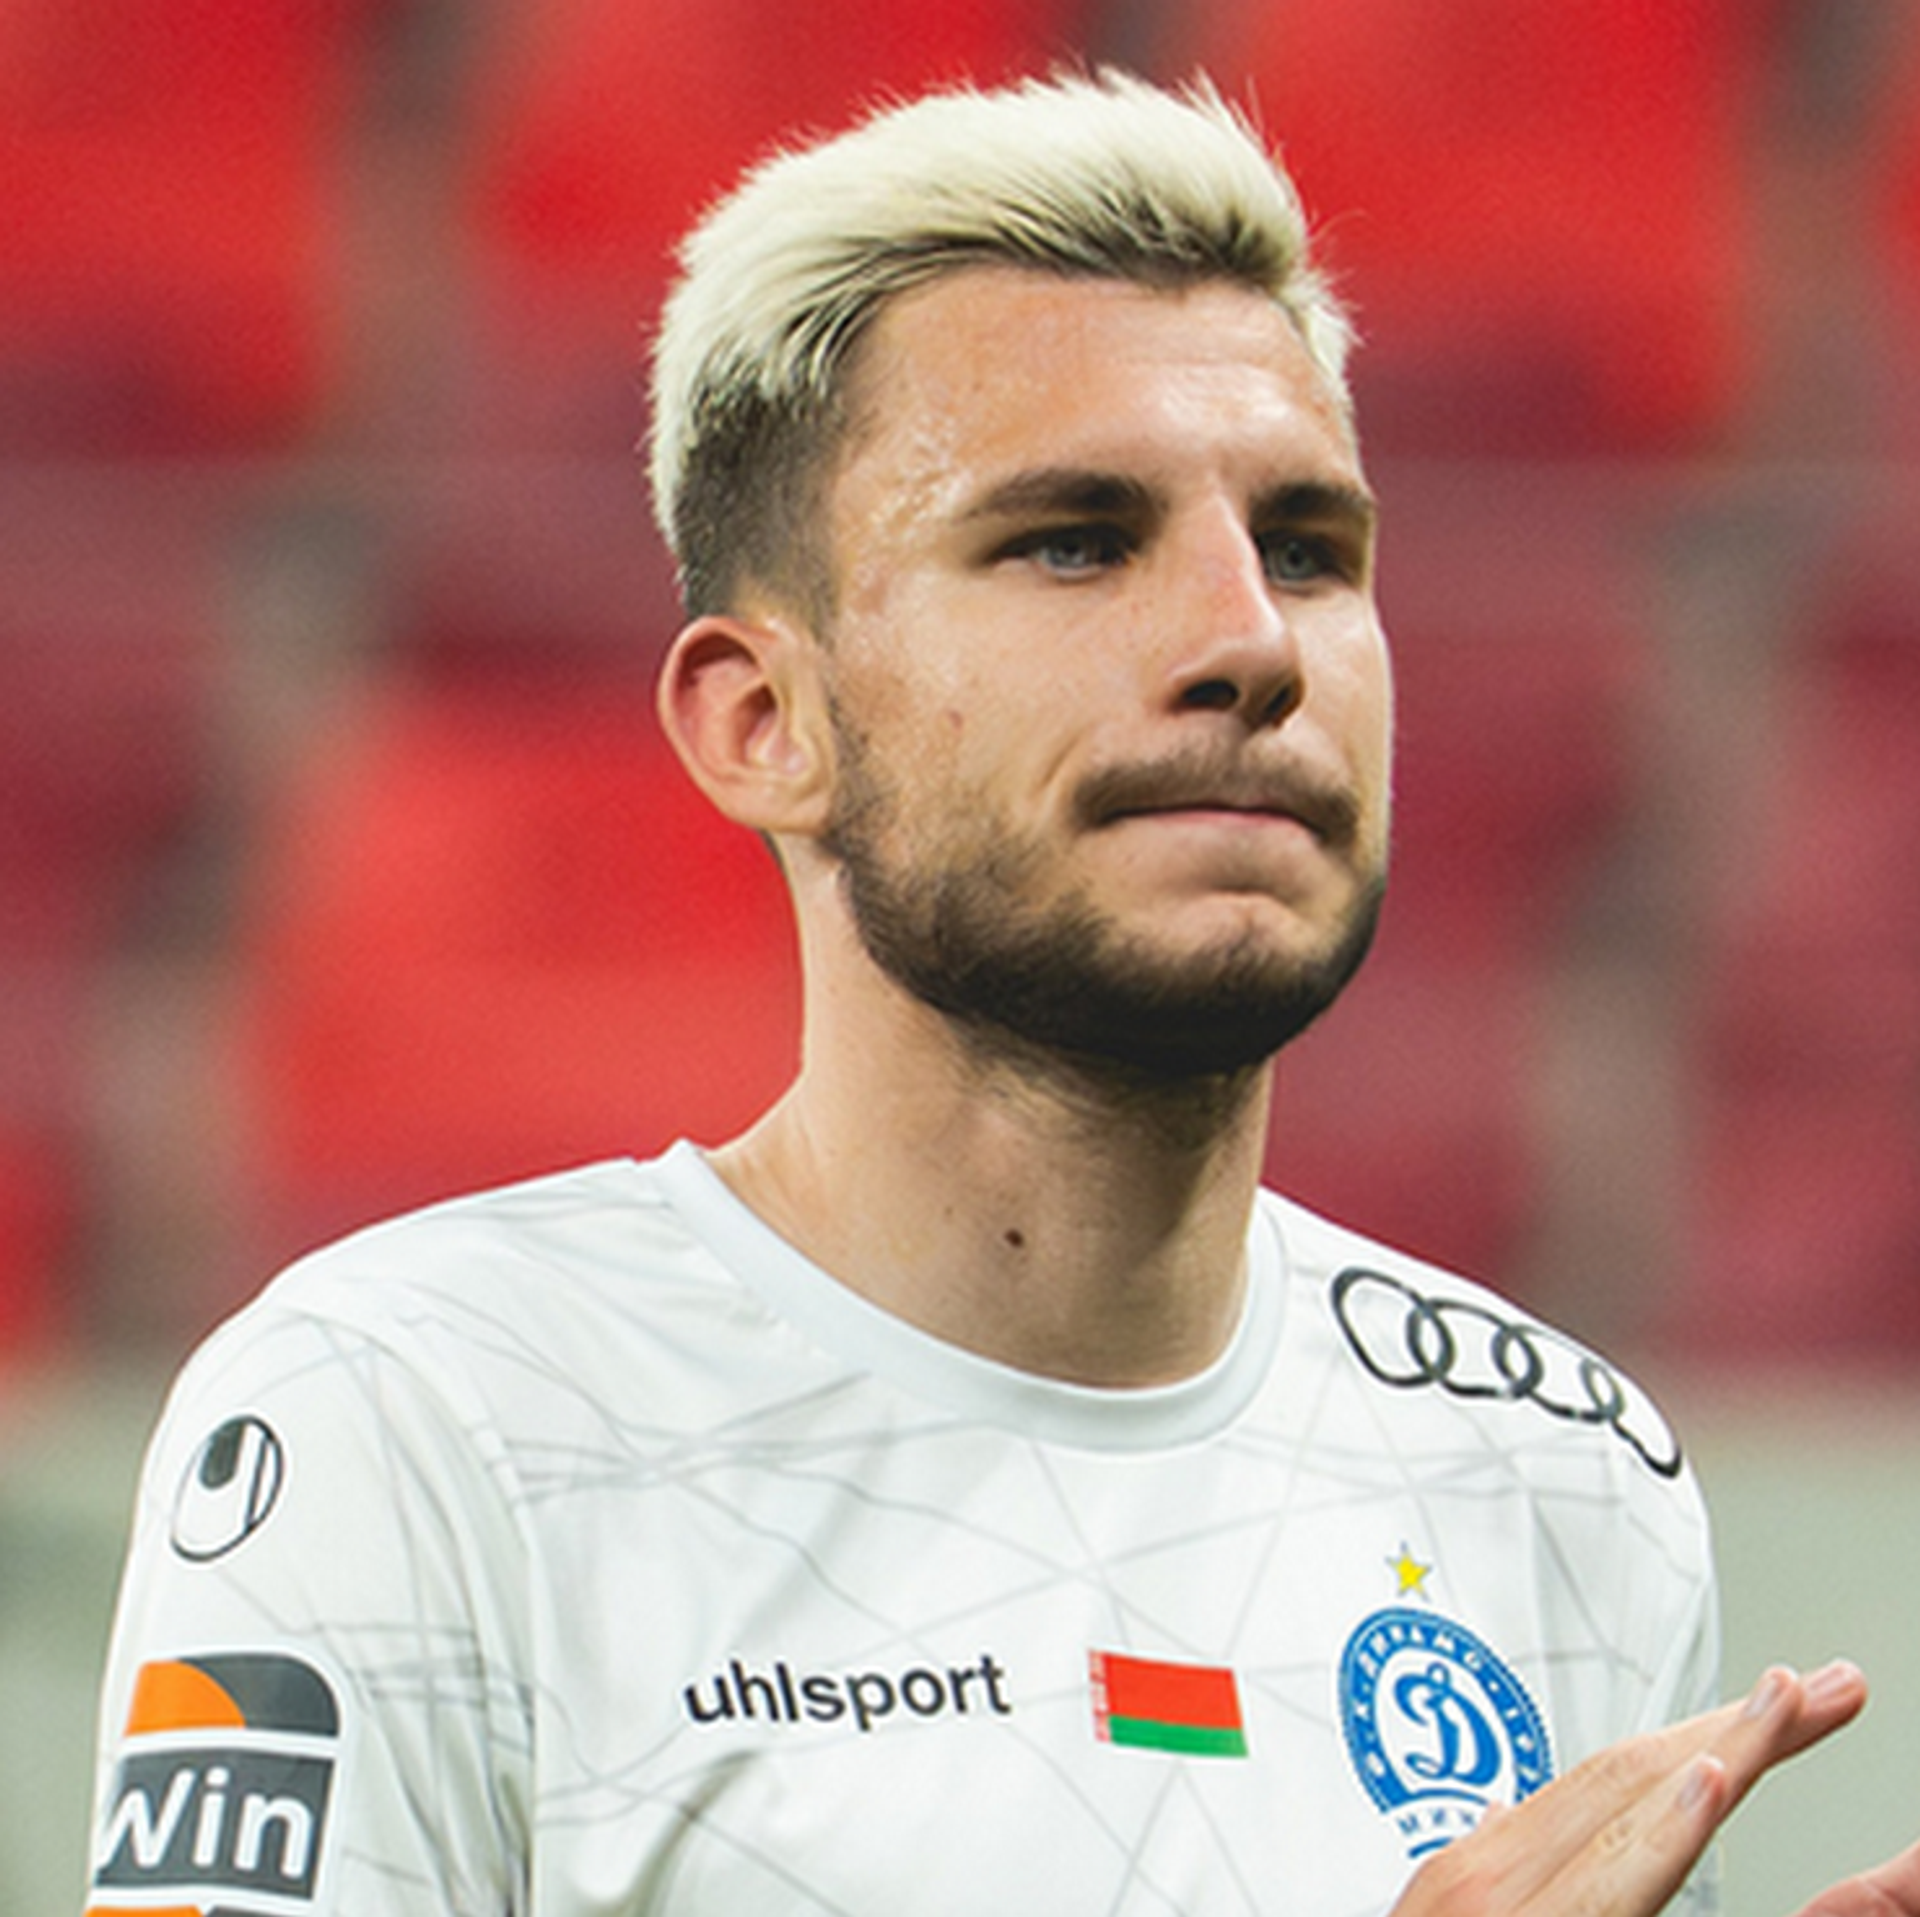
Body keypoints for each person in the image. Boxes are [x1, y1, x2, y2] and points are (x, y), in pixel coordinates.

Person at [84, 69, 1919, 1917]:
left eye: (1307, 550)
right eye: (1074, 540)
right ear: (764, 721)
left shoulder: (1555, 1471)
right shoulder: (417, 1410)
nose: (1250, 642)